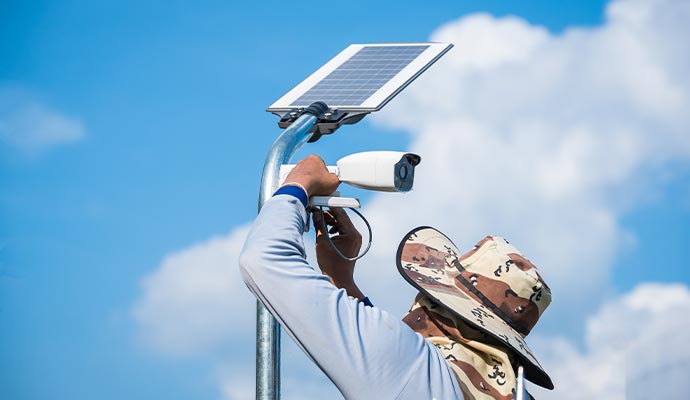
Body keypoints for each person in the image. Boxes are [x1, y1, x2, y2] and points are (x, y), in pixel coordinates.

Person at [239, 155, 554, 400]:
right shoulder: (510, 392)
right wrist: (341, 280)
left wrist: (299, 183)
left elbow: (263, 260)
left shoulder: (415, 368)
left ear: (446, 308)